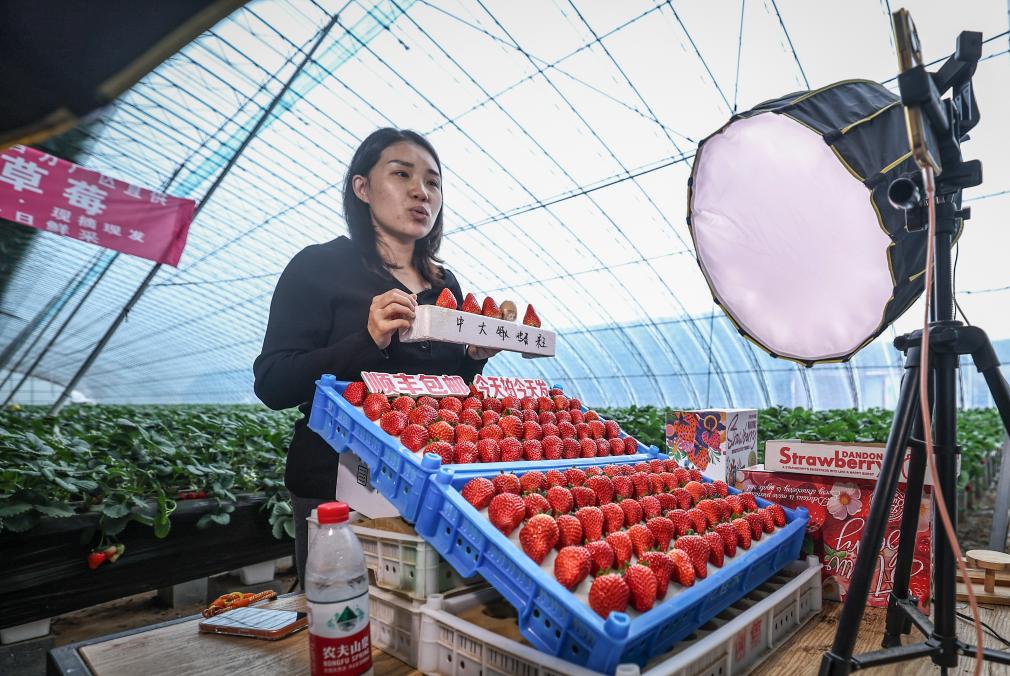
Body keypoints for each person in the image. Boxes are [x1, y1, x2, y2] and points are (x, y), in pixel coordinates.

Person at [253, 128, 497, 587]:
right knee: (343, 611)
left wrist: (473, 357)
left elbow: (450, 390)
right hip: (336, 484)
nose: (421, 191)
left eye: (433, 181)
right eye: (401, 174)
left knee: (422, 610)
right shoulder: (318, 267)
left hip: (428, 481)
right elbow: (273, 382)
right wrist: (367, 340)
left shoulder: (446, 286)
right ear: (362, 187)